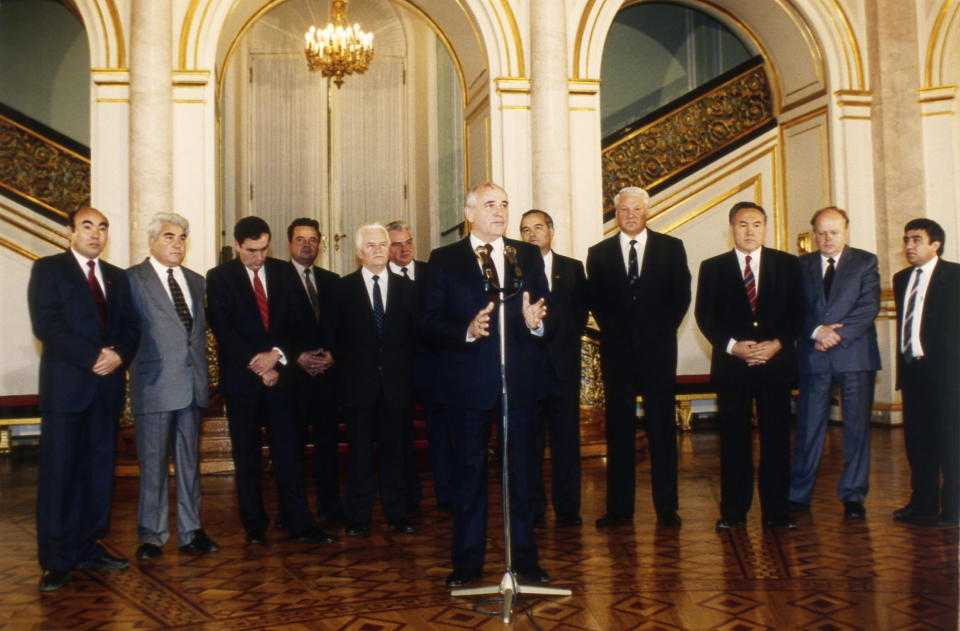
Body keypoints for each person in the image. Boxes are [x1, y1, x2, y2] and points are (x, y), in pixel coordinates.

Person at [421, 182, 550, 588]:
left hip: (520, 382)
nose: (500, 212)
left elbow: (546, 309)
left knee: (523, 475)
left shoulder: (525, 254)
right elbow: (427, 320)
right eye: (490, 205)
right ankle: (468, 562)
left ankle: (526, 560)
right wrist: (466, 330)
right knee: (470, 473)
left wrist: (537, 321)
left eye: (505, 205)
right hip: (467, 382)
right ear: (470, 212)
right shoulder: (444, 260)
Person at [27, 207, 140, 592]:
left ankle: (89, 547)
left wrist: (119, 354)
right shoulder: (48, 270)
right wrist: (94, 356)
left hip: (105, 391)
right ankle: (56, 560)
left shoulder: (118, 278)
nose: (96, 234)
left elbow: (131, 329)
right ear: (69, 232)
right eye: (87, 226)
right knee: (59, 476)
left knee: (97, 474)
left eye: (103, 227)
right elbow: (47, 325)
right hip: (67, 391)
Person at [206, 216, 335, 545]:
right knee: (247, 456)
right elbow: (223, 329)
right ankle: (254, 526)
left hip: (282, 378)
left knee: (289, 453)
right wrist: (259, 364)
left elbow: (297, 324)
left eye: (264, 249)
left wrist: (276, 356)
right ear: (237, 246)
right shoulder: (219, 278)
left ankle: (300, 524)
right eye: (251, 251)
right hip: (243, 381)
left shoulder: (283, 272)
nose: (258, 257)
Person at [586, 186, 690, 529]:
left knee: (661, 429)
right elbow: (597, 302)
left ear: (648, 213)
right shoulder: (598, 253)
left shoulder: (671, 249)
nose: (630, 215)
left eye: (636, 210)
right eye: (623, 210)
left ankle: (667, 508)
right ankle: (619, 510)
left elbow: (681, 297)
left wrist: (657, 332)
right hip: (616, 353)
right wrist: (620, 333)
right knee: (618, 431)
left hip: (659, 352)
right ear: (615, 214)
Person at [695, 201, 802, 530]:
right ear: (731, 228)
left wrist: (777, 344)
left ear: (765, 227)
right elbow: (704, 316)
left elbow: (798, 312)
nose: (750, 230)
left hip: (775, 366)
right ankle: (734, 512)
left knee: (776, 441)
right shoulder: (712, 267)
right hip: (733, 369)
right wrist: (732, 347)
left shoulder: (787, 264)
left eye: (756, 224)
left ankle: (776, 512)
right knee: (734, 442)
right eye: (743, 224)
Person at [127, 212, 219, 560]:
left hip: (192, 386)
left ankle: (191, 530)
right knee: (153, 464)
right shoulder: (133, 280)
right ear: (151, 241)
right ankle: (152, 535)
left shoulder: (196, 281)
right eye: (169, 237)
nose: (177, 243)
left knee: (189, 463)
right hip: (154, 385)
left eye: (182, 237)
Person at [788, 207, 880, 520]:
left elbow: (869, 306)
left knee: (856, 429)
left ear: (846, 231)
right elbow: (793, 308)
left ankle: (853, 495)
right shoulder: (799, 265)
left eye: (834, 232)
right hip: (814, 356)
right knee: (809, 427)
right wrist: (817, 331)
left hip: (854, 356)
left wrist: (834, 336)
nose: (828, 239)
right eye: (822, 233)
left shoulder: (865, 261)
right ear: (814, 234)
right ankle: (799, 494)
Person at [333, 223, 419, 535]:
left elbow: (415, 339)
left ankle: (397, 514)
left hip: (397, 386)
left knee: (396, 452)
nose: (379, 250)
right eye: (371, 245)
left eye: (383, 244)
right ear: (359, 252)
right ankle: (358, 517)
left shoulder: (409, 289)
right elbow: (336, 340)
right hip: (359, 387)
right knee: (359, 455)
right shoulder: (342, 289)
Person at [519, 209, 588, 527]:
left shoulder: (573, 268)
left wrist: (559, 340)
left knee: (565, 441)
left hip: (563, 368)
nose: (531, 234)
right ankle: (533, 506)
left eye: (537, 227)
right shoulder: (514, 270)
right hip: (529, 370)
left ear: (551, 229)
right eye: (524, 230)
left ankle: (568, 507)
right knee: (530, 442)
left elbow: (580, 313)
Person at [892, 218, 960, 527]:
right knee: (917, 443)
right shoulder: (901, 278)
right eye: (906, 239)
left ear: (936, 244)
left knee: (950, 442)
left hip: (947, 376)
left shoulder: (955, 276)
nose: (909, 246)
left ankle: (954, 509)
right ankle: (922, 504)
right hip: (913, 372)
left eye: (916, 240)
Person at [286, 218, 342, 524]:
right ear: (290, 243)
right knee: (291, 449)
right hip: (293, 379)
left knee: (328, 447)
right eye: (300, 239)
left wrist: (334, 356)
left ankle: (331, 507)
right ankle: (291, 512)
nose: (307, 245)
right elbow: (273, 328)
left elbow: (345, 328)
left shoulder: (332, 281)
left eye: (312, 239)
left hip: (327, 379)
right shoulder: (277, 278)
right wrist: (296, 357)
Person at [384, 220, 430, 513]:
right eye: (397, 244)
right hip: (395, 372)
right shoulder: (379, 278)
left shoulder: (431, 273)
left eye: (409, 242)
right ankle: (406, 496)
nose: (405, 249)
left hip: (431, 367)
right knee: (399, 437)